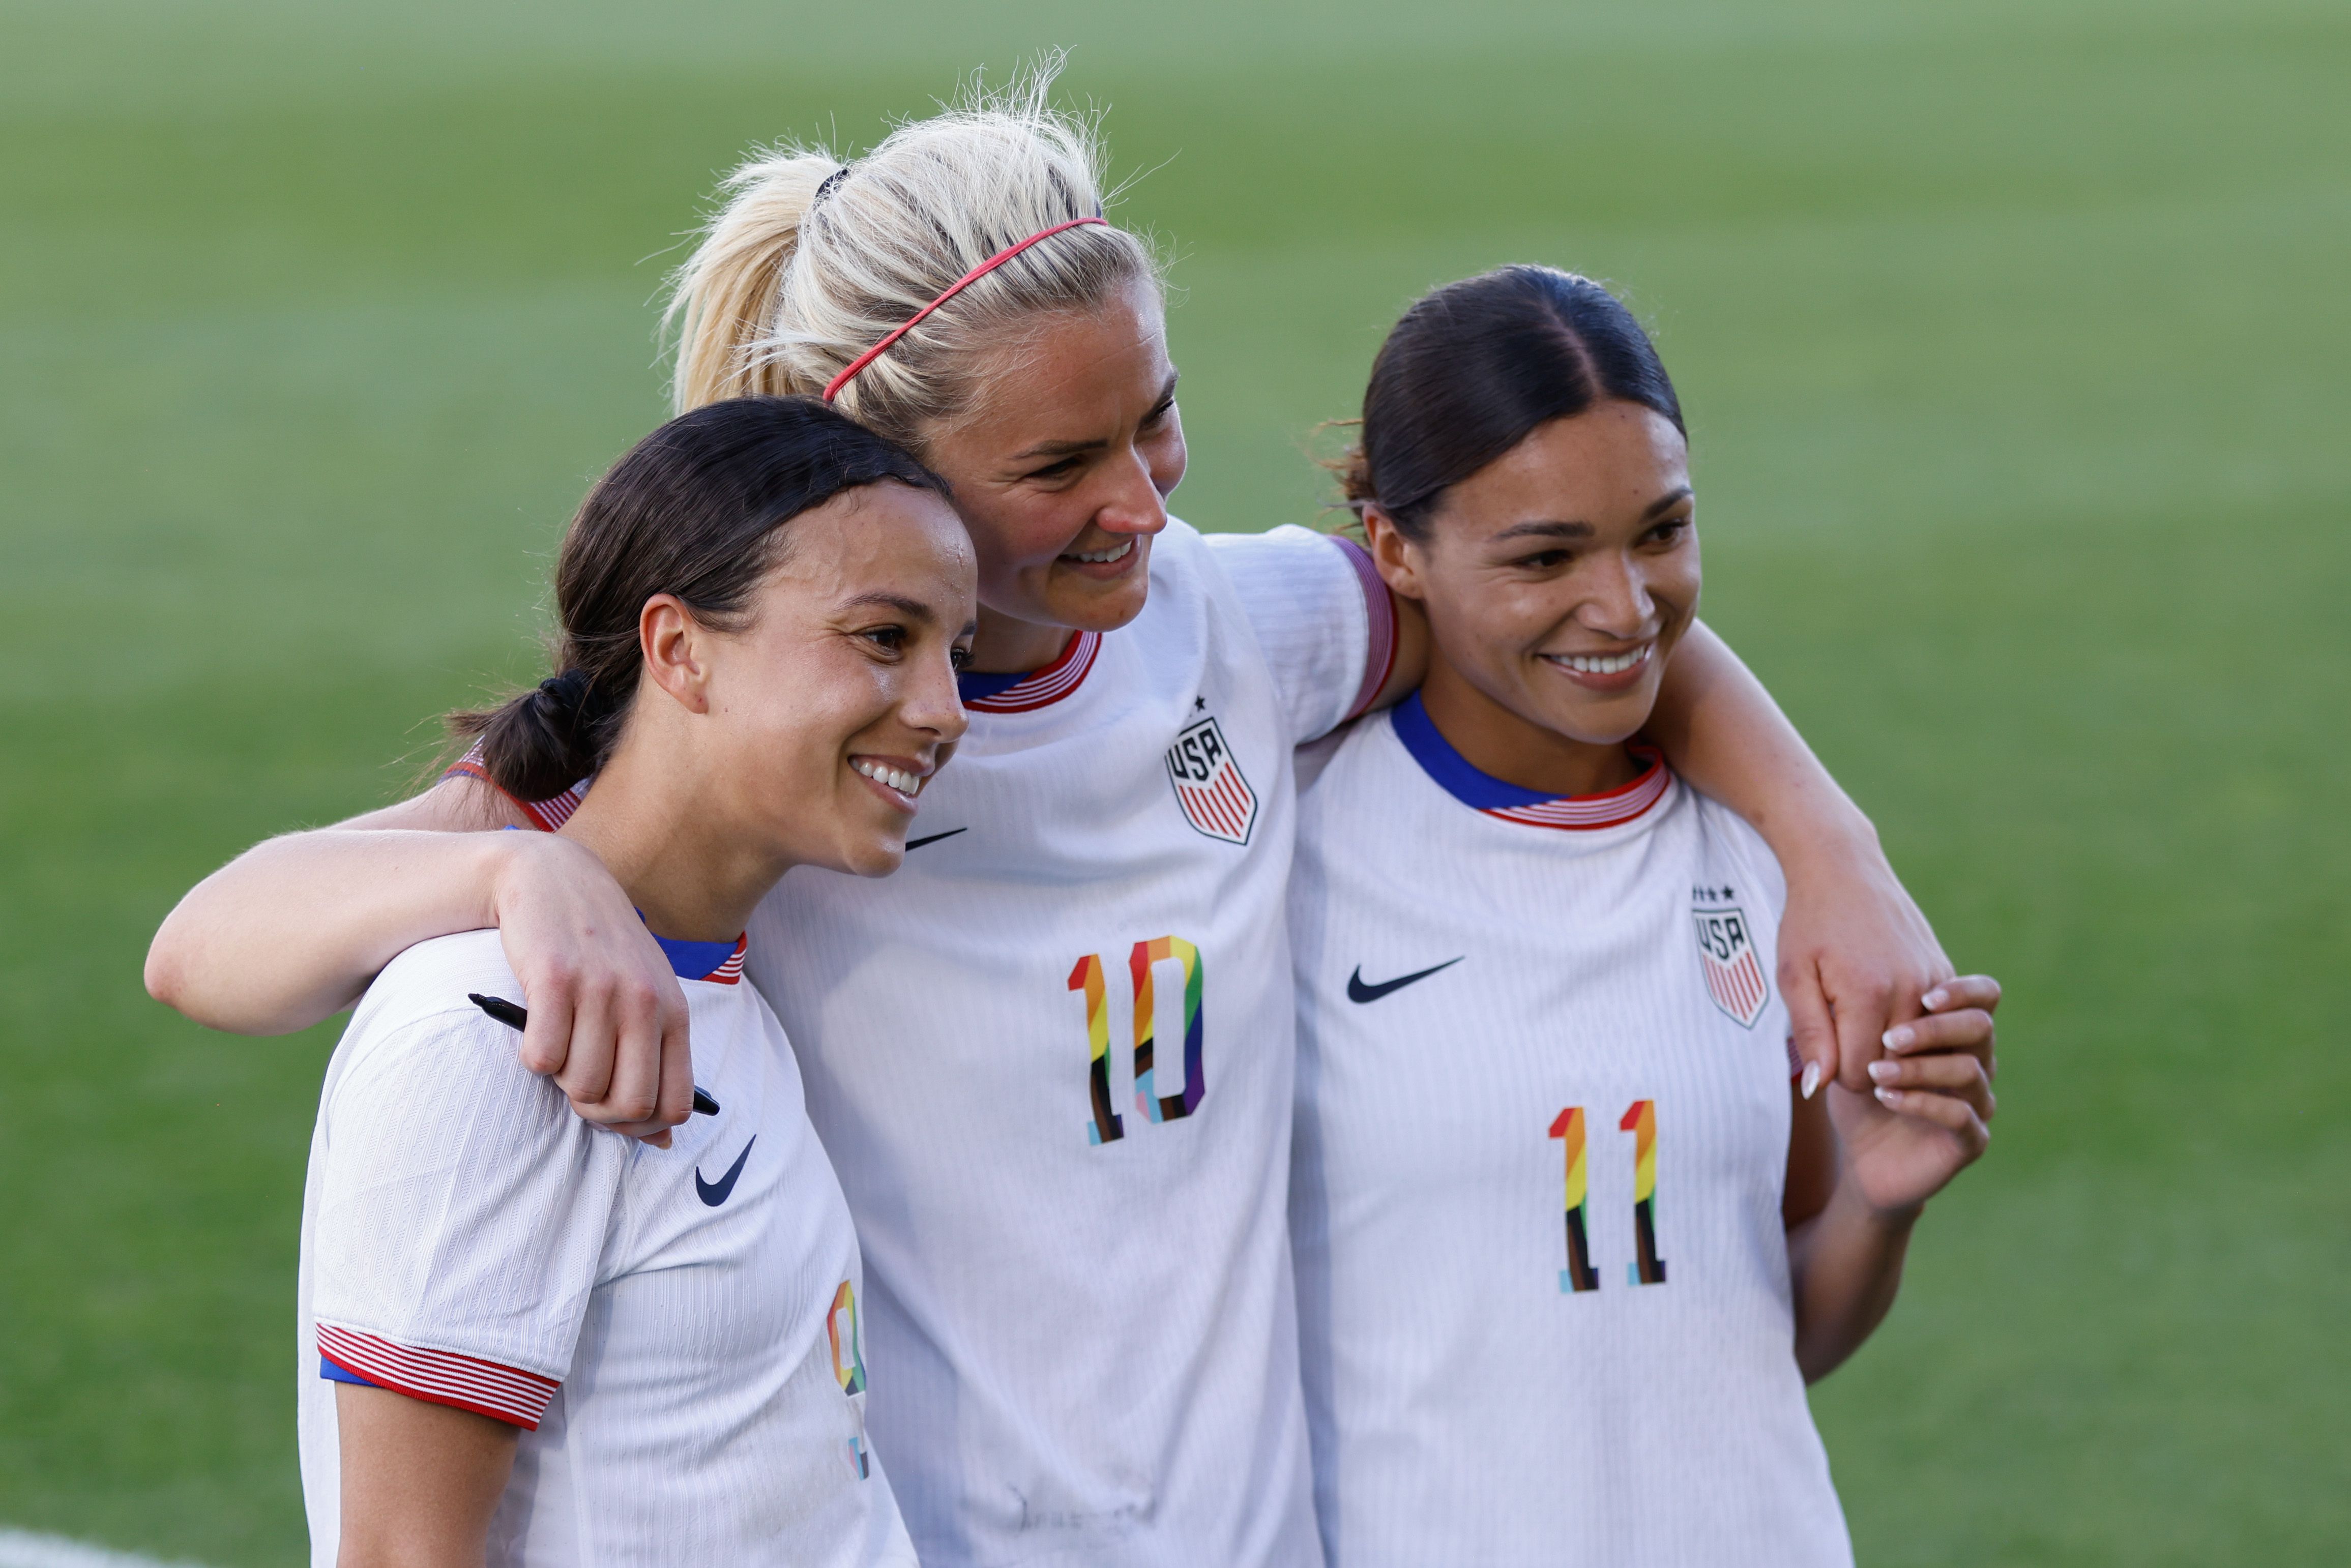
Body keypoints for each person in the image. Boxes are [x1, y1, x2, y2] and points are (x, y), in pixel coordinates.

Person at [149, 74, 1965, 1566]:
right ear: (878, 450)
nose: (1139, 507)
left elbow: (1566, 600)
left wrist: (1834, 857)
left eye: (1155, 425)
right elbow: (208, 947)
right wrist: (512, 869)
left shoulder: (1239, 627)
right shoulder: (777, 741)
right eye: (1056, 469)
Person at [1287, 265, 2000, 1566]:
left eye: (1659, 532)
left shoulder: (1760, 856)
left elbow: (1756, 1339)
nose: (1623, 609)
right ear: (1394, 548)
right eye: (1545, 556)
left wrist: (1878, 1205)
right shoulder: (1283, 859)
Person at [297, 396, 969, 1566]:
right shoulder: (491, 1029)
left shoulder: (728, 997)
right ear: (679, 650)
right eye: (882, 638)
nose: (943, 710)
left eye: (952, 653)